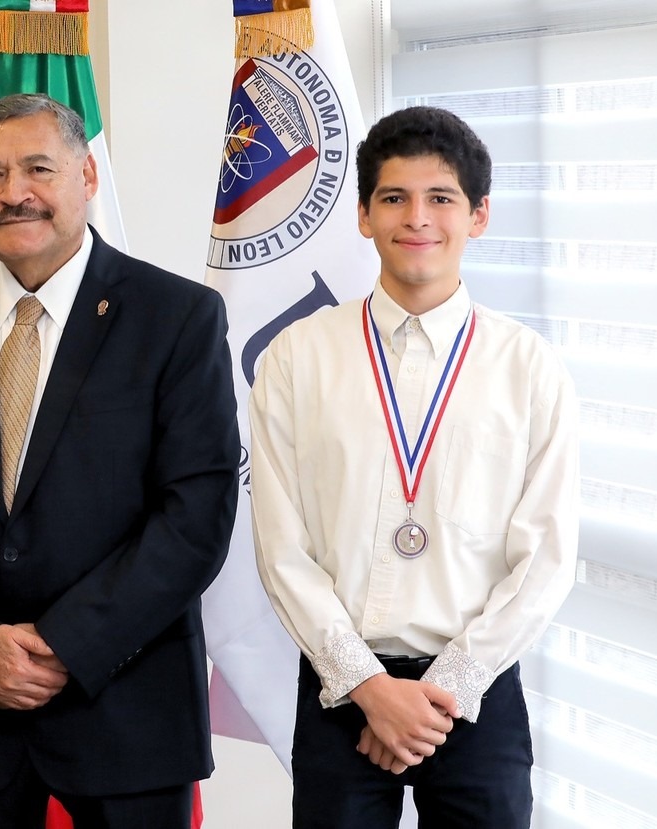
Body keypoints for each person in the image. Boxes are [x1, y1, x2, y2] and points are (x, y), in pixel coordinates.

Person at [0, 93, 239, 829]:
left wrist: (66, 643)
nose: (13, 193)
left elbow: (195, 516)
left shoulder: (177, 317)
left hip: (128, 715)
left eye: (38, 167)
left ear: (87, 176)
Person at [248, 105, 579, 828]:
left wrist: (444, 692)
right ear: (364, 215)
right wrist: (369, 686)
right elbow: (280, 546)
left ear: (479, 215)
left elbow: (547, 557)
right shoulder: (297, 357)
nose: (417, 218)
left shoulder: (528, 365)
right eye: (394, 198)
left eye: (442, 199)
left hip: (476, 691)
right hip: (343, 690)